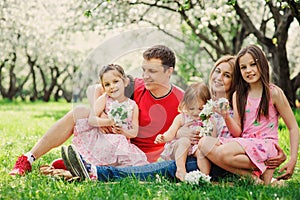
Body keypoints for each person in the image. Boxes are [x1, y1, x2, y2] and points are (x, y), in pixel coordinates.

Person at [61, 55, 287, 182]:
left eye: (226, 74)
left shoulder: (237, 102)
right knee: (165, 166)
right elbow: (183, 122)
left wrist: (278, 152)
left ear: (234, 80)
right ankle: (83, 169)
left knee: (165, 169)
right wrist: (180, 133)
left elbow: (249, 136)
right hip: (197, 152)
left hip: (212, 159)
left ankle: (97, 173)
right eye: (217, 70)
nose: (219, 76)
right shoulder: (202, 99)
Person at [9, 45, 184, 175]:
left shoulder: (181, 99)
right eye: (144, 70)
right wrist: (101, 115)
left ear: (169, 71)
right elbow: (94, 89)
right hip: (113, 139)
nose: (145, 76)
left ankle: (83, 164)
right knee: (80, 111)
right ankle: (28, 159)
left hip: (138, 158)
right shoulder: (135, 85)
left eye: (152, 71)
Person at [198, 45, 299, 184]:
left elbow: (293, 127)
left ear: (262, 64)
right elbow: (237, 131)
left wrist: (293, 159)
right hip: (244, 143)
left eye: (253, 64)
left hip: (266, 144)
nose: (249, 70)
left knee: (222, 153)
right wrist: (226, 116)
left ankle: (261, 170)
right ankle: (252, 178)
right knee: (204, 143)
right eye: (243, 67)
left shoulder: (273, 93)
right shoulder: (239, 95)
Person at [70, 64, 148, 167]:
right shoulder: (104, 99)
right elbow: (92, 120)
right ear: (103, 87)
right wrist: (109, 122)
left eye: (115, 81)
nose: (112, 86)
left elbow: (134, 132)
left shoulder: (132, 105)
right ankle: (85, 164)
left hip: (121, 144)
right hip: (104, 140)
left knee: (134, 163)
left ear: (124, 82)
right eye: (107, 84)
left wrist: (123, 132)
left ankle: (105, 168)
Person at [154, 82, 213, 181]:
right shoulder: (181, 118)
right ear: (185, 105)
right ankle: (180, 170)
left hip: (195, 148)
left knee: (202, 152)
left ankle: (204, 176)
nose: (195, 112)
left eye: (200, 108)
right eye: (191, 108)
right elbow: (171, 133)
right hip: (179, 148)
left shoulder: (206, 120)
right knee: (184, 141)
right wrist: (163, 137)